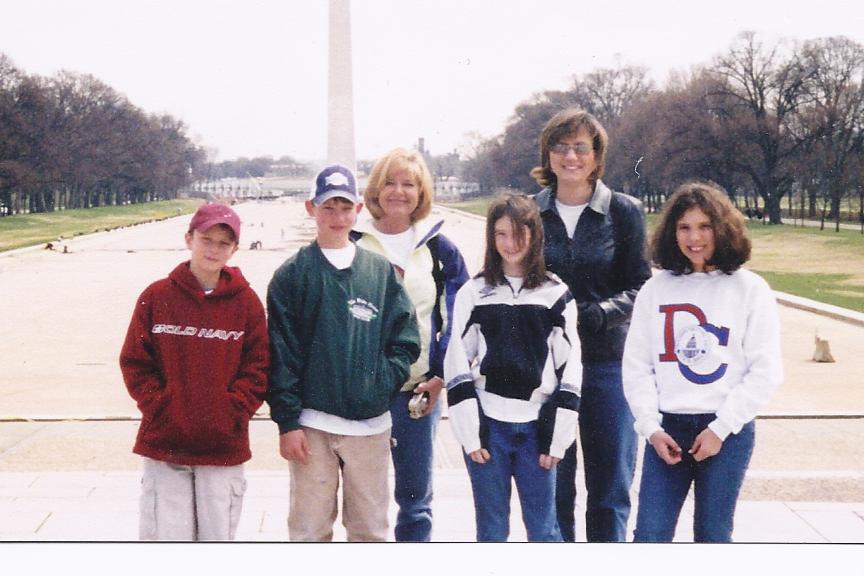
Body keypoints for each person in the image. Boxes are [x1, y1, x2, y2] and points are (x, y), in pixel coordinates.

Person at [266, 164, 421, 542]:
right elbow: (280, 355)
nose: (337, 217)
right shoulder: (292, 275)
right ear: (311, 208)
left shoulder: (379, 271)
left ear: (358, 210)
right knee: (309, 530)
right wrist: (288, 422)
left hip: (370, 427)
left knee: (369, 531)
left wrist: (379, 383)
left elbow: (405, 339)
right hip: (312, 427)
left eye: (345, 207)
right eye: (328, 207)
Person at [623, 181, 783, 542]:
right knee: (650, 534)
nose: (694, 238)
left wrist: (721, 428)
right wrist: (650, 427)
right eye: (684, 227)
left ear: (722, 228)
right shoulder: (655, 290)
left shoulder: (750, 289)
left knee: (712, 535)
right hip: (667, 430)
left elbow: (766, 370)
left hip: (725, 433)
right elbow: (637, 367)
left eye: (704, 226)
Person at [531, 108, 652, 542]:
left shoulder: (623, 211)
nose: (570, 157)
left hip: (607, 363)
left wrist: (599, 313)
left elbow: (642, 286)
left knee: (609, 489)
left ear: (597, 156)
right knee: (553, 486)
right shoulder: (530, 212)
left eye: (581, 147)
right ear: (548, 155)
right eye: (561, 147)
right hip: (546, 366)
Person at [119, 203, 269, 541]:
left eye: (223, 243)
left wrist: (233, 410)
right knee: (166, 538)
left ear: (234, 249)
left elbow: (258, 366)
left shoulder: (246, 303)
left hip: (222, 443)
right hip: (166, 442)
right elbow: (135, 361)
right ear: (189, 239)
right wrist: (161, 406)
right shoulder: (156, 296)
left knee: (217, 538)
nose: (214, 249)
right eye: (206, 240)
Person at [444, 193, 582, 542]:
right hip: (489, 429)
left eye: (519, 233)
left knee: (543, 530)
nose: (510, 243)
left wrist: (558, 438)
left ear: (535, 235)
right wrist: (470, 433)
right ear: (491, 237)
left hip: (537, 430)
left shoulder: (555, 294)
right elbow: (457, 360)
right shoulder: (475, 292)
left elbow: (570, 368)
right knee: (492, 531)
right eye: (501, 234)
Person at [351, 148, 469, 541]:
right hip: (361, 393)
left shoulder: (439, 248)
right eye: (389, 182)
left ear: (421, 193)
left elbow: (459, 318)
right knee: (362, 502)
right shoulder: (353, 241)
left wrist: (440, 376)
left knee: (416, 503)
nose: (398, 192)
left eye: (408, 184)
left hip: (418, 393)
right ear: (375, 188)